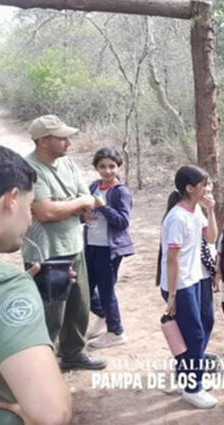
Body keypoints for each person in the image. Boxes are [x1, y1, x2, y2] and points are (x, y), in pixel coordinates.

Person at [22, 114, 106, 370]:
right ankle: (43, 365)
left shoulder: (68, 164)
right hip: (45, 252)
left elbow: (87, 197)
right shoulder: (30, 169)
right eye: (62, 138)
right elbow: (45, 212)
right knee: (50, 312)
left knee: (79, 306)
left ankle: (73, 354)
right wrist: (78, 204)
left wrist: (71, 204)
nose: (68, 142)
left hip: (73, 245)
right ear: (43, 141)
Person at [0, 145, 71, 425]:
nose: (29, 219)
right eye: (29, 208)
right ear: (11, 199)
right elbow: (51, 415)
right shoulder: (5, 287)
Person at [157, 165, 218, 409]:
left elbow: (211, 238)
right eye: (204, 185)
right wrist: (171, 296)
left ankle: (186, 373)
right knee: (193, 333)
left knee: (207, 323)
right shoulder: (177, 217)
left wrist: (211, 211)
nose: (208, 189)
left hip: (197, 277)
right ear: (189, 188)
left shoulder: (196, 212)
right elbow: (172, 260)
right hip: (181, 283)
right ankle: (193, 386)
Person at [84, 147, 134, 348]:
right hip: (91, 244)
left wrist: (103, 207)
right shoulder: (93, 186)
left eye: (112, 166)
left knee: (106, 289)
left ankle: (116, 331)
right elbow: (83, 211)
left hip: (110, 249)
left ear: (118, 167)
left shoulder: (120, 191)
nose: (107, 171)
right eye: (102, 166)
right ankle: (103, 313)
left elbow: (122, 221)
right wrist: (83, 216)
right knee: (83, 287)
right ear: (96, 168)